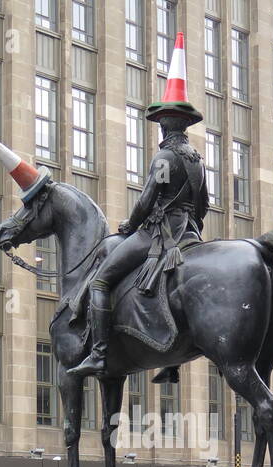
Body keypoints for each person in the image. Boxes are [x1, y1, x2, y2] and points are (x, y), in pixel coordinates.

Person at [67, 32, 208, 379]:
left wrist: (130, 226)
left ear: (165, 123)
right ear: (184, 125)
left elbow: (146, 199)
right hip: (189, 232)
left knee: (101, 281)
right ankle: (173, 362)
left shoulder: (164, 156)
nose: (160, 125)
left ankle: (99, 354)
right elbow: (204, 203)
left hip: (159, 234)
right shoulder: (197, 159)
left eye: (161, 120)